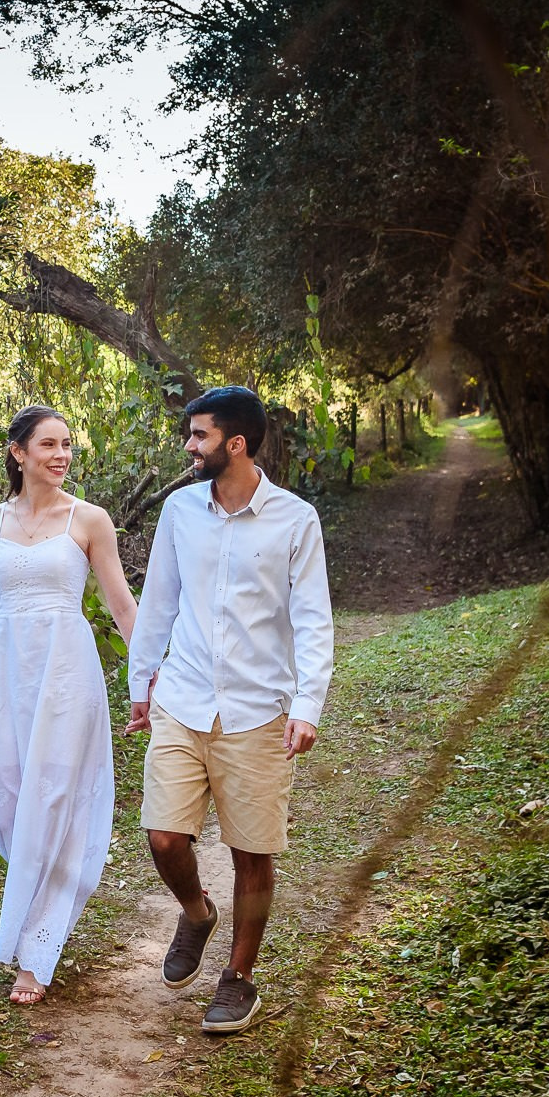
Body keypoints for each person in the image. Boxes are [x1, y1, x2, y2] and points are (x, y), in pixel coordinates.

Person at [126, 386, 333, 1033]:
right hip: (183, 699)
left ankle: (238, 977)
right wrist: (140, 682)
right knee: (163, 835)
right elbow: (158, 600)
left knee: (252, 853)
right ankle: (195, 911)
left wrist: (307, 704)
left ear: (235, 444)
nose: (189, 446)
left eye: (199, 436)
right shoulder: (180, 511)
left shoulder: (296, 520)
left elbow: (313, 621)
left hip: (257, 711)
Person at [0, 405, 138, 1005]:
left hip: (66, 674)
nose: (61, 456)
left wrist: (150, 679)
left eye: (67, 446)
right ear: (18, 452)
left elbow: (121, 606)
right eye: (49, 445)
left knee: (54, 801)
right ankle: (34, 907)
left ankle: (36, 951)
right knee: (9, 805)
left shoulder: (90, 520)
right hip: (9, 674)